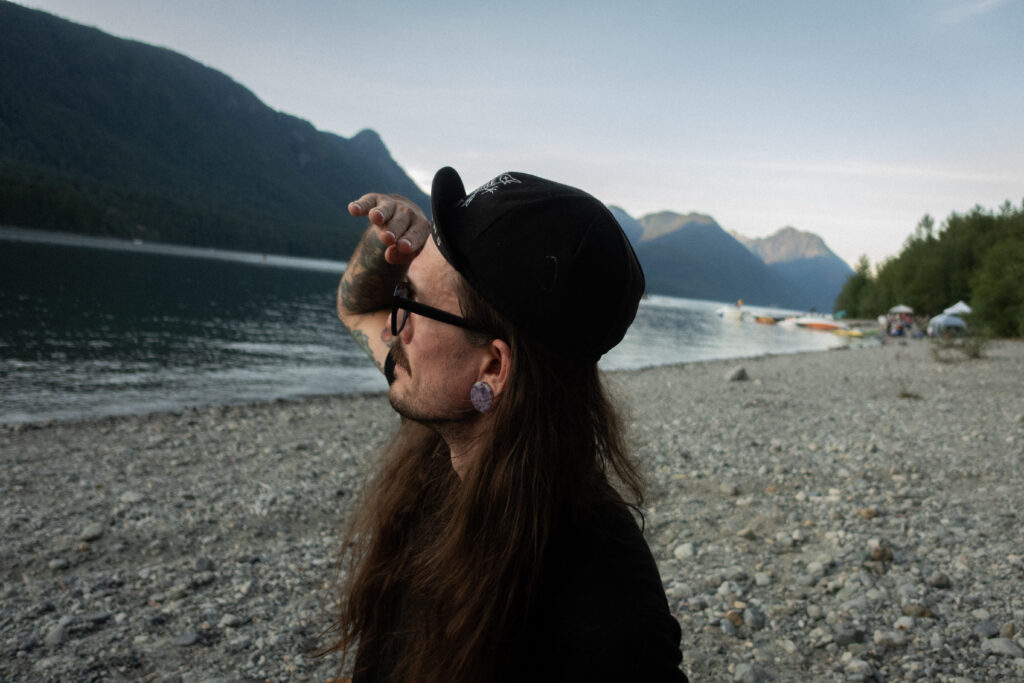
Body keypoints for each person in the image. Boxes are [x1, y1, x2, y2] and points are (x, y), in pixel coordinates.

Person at [327, 167, 687, 682]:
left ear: (493, 369)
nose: (391, 325)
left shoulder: (605, 605)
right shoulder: (462, 437)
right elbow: (356, 306)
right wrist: (386, 241)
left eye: (410, 302)